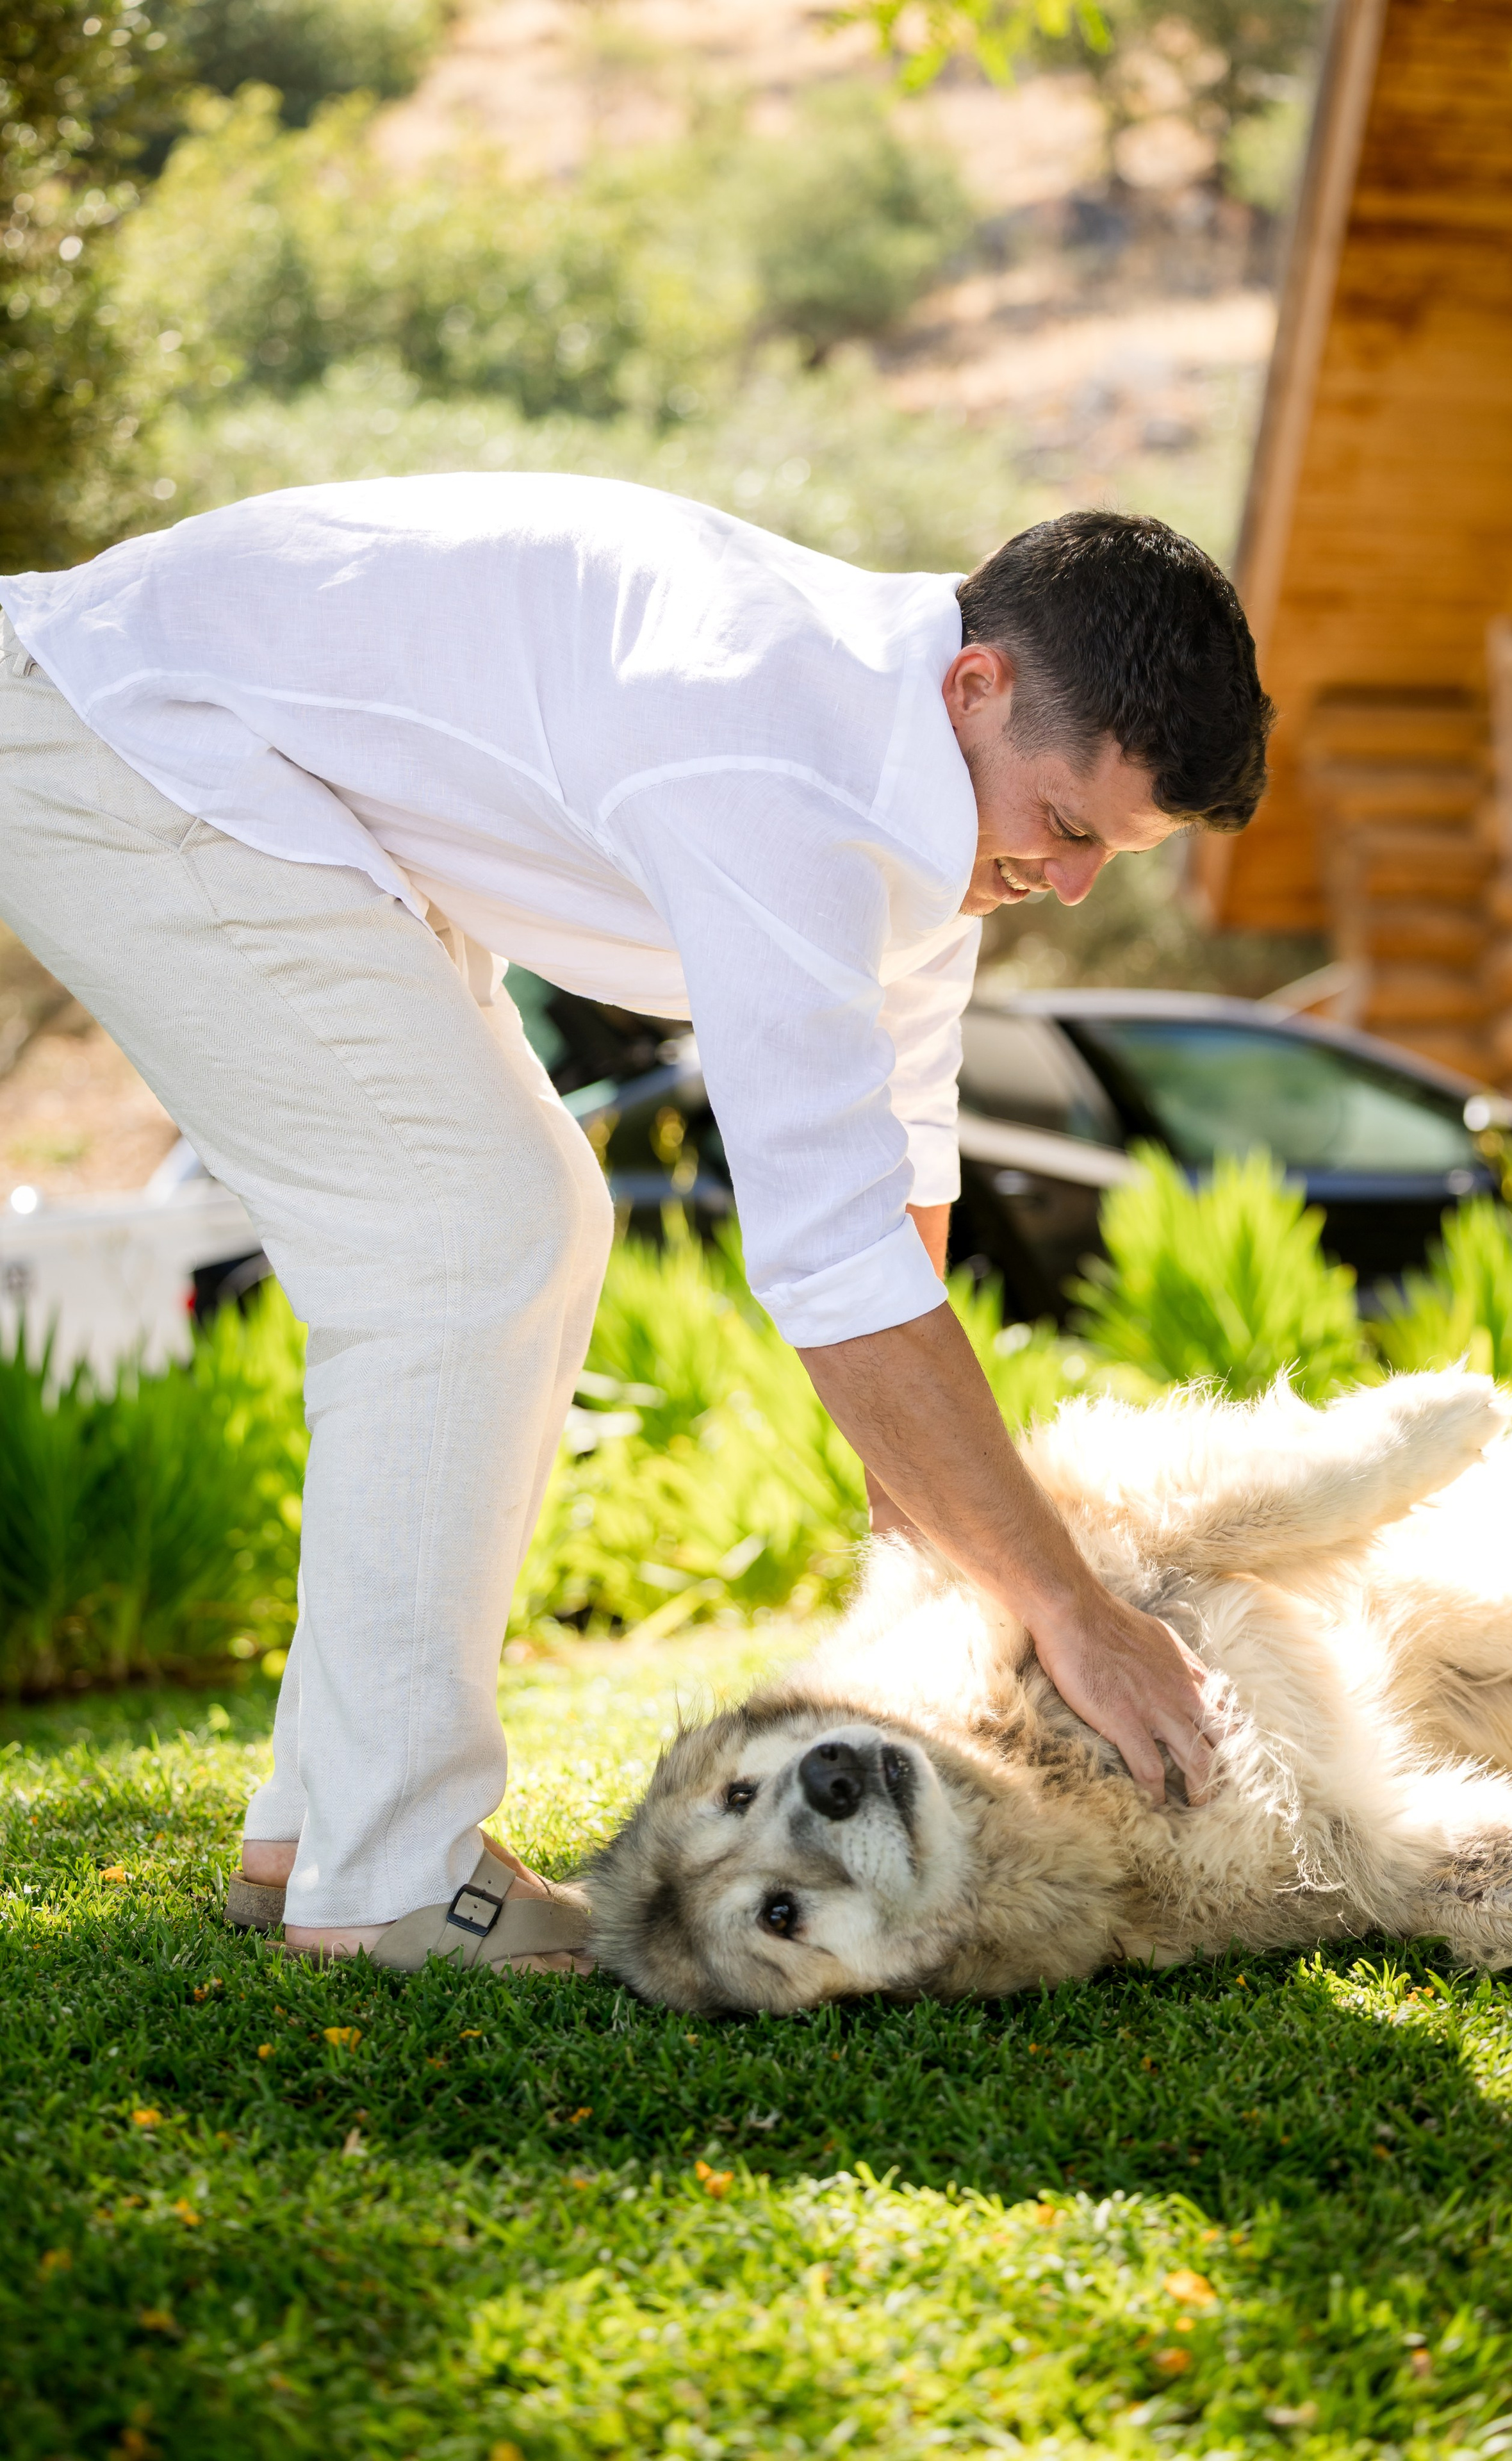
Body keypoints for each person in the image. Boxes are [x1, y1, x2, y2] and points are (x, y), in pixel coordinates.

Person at [0, 477, 1272, 1974]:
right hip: (122, 730)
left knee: (520, 1223)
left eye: (1102, 860)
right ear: (974, 685)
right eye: (1062, 825)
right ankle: (385, 1876)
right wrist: (1069, 1611)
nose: (1061, 883)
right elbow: (827, 1267)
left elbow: (899, 1163)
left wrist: (914, 1511)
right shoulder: (789, 770)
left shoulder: (927, 804)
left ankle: (316, 1835)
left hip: (262, 769)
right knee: (473, 1234)